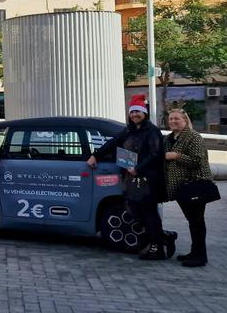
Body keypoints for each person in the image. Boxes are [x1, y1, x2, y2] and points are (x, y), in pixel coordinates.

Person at [88, 94, 171, 260]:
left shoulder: (152, 131)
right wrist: (95, 155)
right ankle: (162, 237)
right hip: (132, 178)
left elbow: (155, 154)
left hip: (148, 178)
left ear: (144, 113)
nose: (135, 115)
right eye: (132, 112)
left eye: (138, 112)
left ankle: (157, 247)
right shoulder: (128, 130)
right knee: (133, 209)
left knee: (148, 212)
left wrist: (138, 169)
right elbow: (112, 144)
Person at [164, 109, 214, 267]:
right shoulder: (169, 138)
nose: (173, 121)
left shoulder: (193, 137)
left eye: (177, 119)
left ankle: (201, 255)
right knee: (192, 220)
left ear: (185, 120)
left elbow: (198, 160)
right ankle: (195, 251)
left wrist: (177, 156)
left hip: (195, 184)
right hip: (181, 187)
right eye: (171, 119)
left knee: (197, 220)